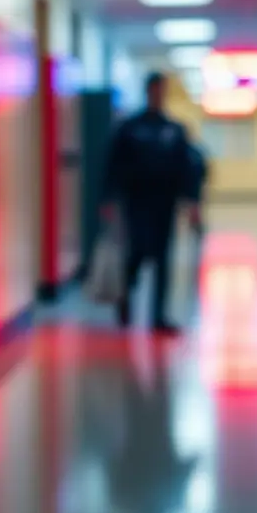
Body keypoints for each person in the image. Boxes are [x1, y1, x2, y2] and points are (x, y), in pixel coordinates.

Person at [102, 72, 207, 335]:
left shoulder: (174, 129)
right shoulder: (130, 128)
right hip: (136, 202)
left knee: (163, 259)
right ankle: (126, 296)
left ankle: (158, 316)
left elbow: (188, 168)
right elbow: (112, 165)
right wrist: (108, 198)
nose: (158, 95)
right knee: (137, 252)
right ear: (148, 91)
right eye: (155, 90)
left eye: (163, 90)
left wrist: (193, 203)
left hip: (165, 203)